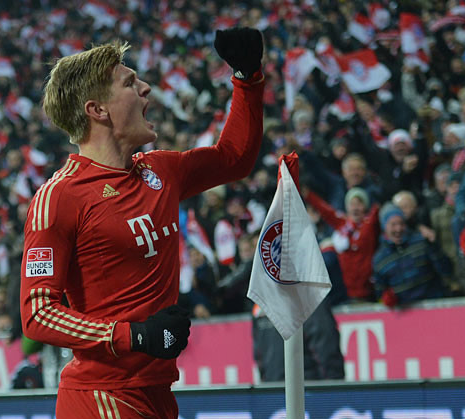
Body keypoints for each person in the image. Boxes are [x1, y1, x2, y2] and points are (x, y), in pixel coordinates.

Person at [20, 29, 264, 419]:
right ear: (98, 110)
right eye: (130, 83)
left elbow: (234, 157)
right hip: (101, 397)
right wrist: (133, 335)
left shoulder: (161, 170)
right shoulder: (59, 197)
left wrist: (246, 79)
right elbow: (38, 314)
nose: (146, 88)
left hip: (157, 392)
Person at [373, 205, 451, 307]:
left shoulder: (421, 241)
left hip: (432, 305)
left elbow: (446, 270)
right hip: (404, 312)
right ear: (384, 227)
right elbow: (380, 292)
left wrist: (433, 245)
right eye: (393, 224)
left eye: (401, 223)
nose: (398, 228)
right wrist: (386, 298)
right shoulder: (379, 259)